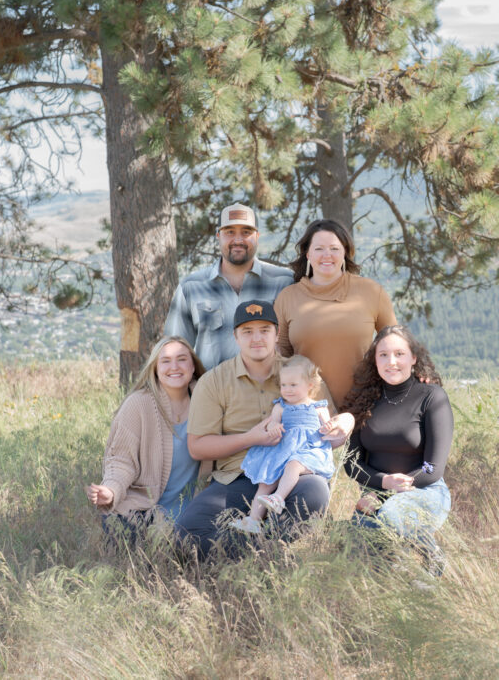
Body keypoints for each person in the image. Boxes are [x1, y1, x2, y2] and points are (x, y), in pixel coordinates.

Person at [175, 300, 354, 558]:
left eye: (264, 330)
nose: (256, 338)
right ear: (235, 336)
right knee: (186, 533)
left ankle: (255, 549)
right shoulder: (214, 381)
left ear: (276, 333)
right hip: (237, 478)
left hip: (293, 479)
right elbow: (198, 446)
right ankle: (267, 555)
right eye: (247, 332)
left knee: (315, 493)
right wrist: (250, 438)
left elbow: (330, 431)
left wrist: (348, 421)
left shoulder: (301, 373)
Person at [342, 325, 453, 575]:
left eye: (399, 354)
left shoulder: (432, 397)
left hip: (426, 491)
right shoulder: (365, 400)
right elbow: (352, 463)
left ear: (413, 358)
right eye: (383, 355)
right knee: (356, 542)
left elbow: (432, 466)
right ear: (375, 360)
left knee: (392, 515)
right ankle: (399, 573)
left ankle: (430, 558)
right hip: (377, 493)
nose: (391, 362)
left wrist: (395, 488)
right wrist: (381, 484)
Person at [86, 336, 207, 545]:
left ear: (193, 366)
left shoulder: (206, 401)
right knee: (128, 547)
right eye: (166, 361)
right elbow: (121, 459)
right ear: (155, 368)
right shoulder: (138, 404)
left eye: (181, 359)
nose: (174, 367)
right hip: (143, 509)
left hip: (191, 513)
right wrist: (111, 489)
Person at [274, 218, 397, 408]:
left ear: (345, 252)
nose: (327, 255)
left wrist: (420, 373)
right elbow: (281, 357)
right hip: (308, 413)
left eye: (334, 248)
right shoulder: (287, 298)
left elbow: (396, 343)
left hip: (366, 407)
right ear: (307, 254)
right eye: (319, 249)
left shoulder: (372, 292)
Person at [163, 203, 294, 369]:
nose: (238, 240)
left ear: (257, 236)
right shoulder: (191, 287)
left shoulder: (284, 282)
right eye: (230, 232)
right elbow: (174, 351)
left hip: (271, 391)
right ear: (218, 235)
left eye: (246, 232)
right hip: (213, 392)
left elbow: (300, 342)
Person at [231, 355, 336, 534]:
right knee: (266, 482)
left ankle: (278, 498)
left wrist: (328, 427)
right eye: (283, 385)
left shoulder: (318, 407)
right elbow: (272, 422)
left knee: (293, 466)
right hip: (282, 448)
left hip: (307, 450)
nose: (287, 389)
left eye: (293, 385)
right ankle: (254, 520)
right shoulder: (280, 407)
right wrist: (274, 427)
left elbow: (329, 428)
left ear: (310, 385)